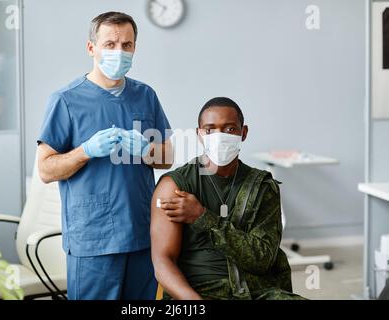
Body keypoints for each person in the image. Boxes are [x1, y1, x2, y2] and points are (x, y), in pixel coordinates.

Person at [37, 11, 173, 300]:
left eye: (127, 45)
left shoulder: (146, 95)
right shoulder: (66, 100)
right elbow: (46, 170)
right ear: (91, 48)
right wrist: (85, 151)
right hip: (93, 240)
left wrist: (148, 149)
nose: (119, 51)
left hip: (141, 234)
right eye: (109, 44)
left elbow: (168, 156)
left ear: (135, 47)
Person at [151, 97, 304, 300]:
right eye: (210, 129)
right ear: (199, 134)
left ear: (244, 132)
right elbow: (163, 262)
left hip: (256, 290)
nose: (219, 136)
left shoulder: (261, 186)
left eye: (230, 129)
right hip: (200, 291)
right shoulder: (175, 186)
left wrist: (203, 217)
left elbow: (262, 259)